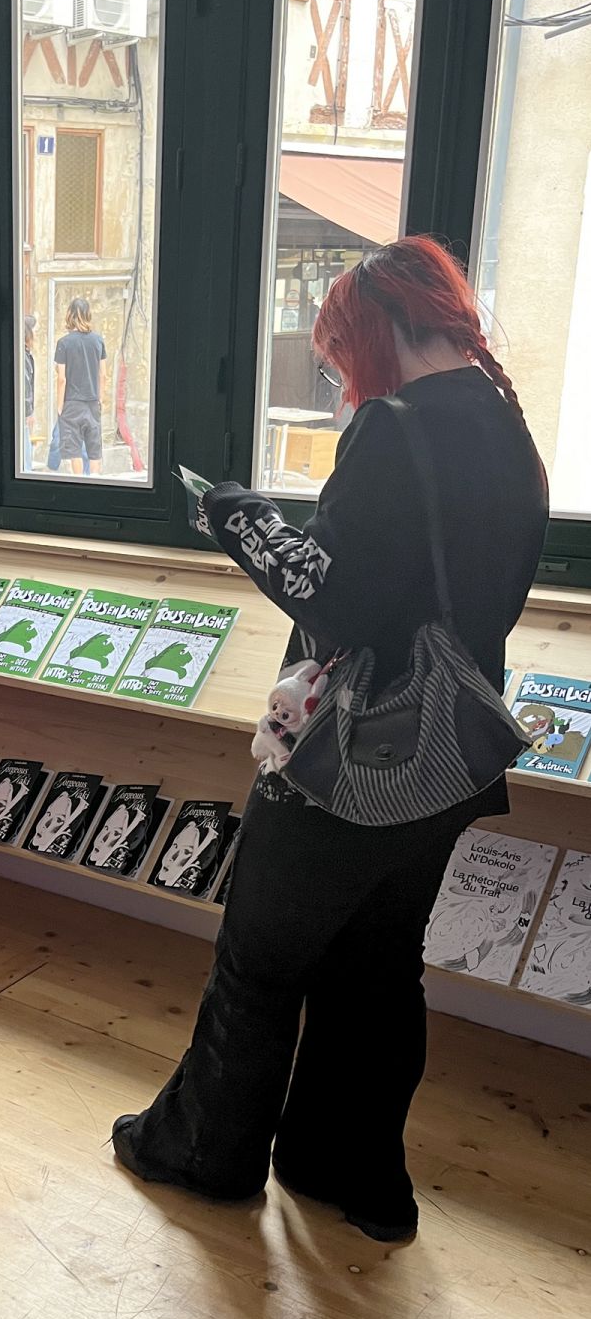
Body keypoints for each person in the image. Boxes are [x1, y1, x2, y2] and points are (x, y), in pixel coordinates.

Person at [111, 237, 549, 1241]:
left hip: (354, 750)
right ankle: (352, 1174)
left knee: (259, 963)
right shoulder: (507, 422)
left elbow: (334, 596)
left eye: (344, 346)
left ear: (383, 327)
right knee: (381, 969)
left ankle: (205, 1156)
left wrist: (237, 516)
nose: (348, 373)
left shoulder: (394, 430)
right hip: (449, 751)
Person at [53, 297, 106, 475]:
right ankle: (95, 481)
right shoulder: (98, 341)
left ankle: (78, 480)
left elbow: (62, 378)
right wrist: (101, 399)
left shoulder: (64, 343)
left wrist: (60, 406)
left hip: (72, 403)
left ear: (70, 315)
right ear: (88, 314)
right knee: (94, 449)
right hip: (92, 402)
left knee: (74, 451)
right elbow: (103, 374)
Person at [23, 314, 36, 470]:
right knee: (24, 452)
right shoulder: (23, 356)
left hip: (22, 412)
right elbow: (25, 384)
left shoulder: (23, 355)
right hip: (22, 414)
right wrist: (28, 412)